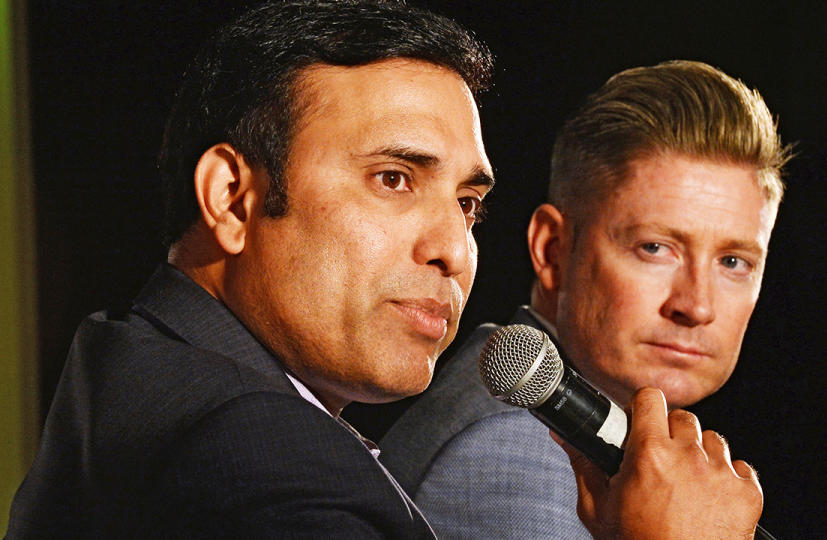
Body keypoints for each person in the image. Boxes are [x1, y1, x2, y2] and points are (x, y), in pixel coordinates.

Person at [7, 0, 768, 536]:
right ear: (232, 199)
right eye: (395, 179)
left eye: (468, 204)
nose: (452, 248)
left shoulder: (134, 359)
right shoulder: (265, 467)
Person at [379, 60, 791, 539]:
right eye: (654, 249)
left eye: (733, 262)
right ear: (552, 250)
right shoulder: (515, 450)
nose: (696, 306)